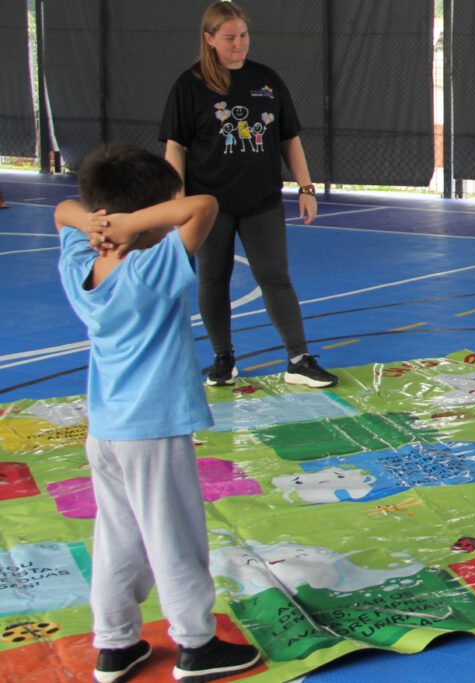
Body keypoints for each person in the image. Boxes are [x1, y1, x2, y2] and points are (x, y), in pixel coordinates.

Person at [54, 145, 260, 683]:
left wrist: (99, 224)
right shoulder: (151, 268)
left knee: (117, 536)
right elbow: (203, 206)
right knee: (174, 537)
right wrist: (132, 224)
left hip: (106, 433)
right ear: (145, 217)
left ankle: (115, 644)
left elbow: (63, 213)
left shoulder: (81, 264)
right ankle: (196, 643)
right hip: (153, 432)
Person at [159, 1, 337, 388]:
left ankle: (299, 360)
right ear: (209, 39)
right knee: (213, 280)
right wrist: (177, 202)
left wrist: (306, 187)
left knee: (275, 277)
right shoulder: (189, 85)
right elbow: (175, 147)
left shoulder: (266, 80)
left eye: (243, 35)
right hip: (210, 206)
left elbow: (289, 138)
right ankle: (223, 359)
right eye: (230, 37)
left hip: (262, 202)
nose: (239, 44)